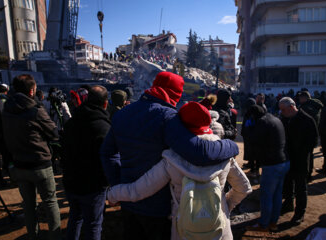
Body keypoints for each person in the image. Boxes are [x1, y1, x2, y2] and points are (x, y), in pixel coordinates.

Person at [100, 72, 239, 240]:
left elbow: (107, 153)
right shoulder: (168, 117)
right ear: (175, 94)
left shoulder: (122, 113)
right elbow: (199, 152)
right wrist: (231, 145)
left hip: (129, 202)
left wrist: (117, 185)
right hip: (160, 207)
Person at [2, 74, 62, 239]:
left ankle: (32, 236)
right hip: (40, 164)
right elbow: (54, 132)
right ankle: (55, 236)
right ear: (31, 91)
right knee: (50, 202)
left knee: (28, 205)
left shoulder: (6, 109)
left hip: (19, 164)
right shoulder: (35, 110)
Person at [62, 86, 111, 240]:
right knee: (93, 225)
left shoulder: (71, 122)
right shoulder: (104, 127)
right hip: (93, 186)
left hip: (71, 181)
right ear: (105, 103)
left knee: (75, 218)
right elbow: (107, 158)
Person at [244, 105, 289, 232]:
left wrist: (249, 128)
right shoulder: (274, 118)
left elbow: (253, 140)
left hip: (272, 164)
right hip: (284, 161)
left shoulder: (262, 122)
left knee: (267, 196)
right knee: (277, 195)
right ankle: (273, 222)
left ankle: (263, 224)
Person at [279, 97, 318, 225]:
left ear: (291, 107)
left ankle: (300, 213)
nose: (282, 112)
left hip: (300, 160)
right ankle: (288, 204)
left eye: (283, 110)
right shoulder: (284, 119)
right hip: (287, 158)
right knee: (288, 184)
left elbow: (313, 141)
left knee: (301, 187)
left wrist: (301, 150)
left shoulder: (307, 120)